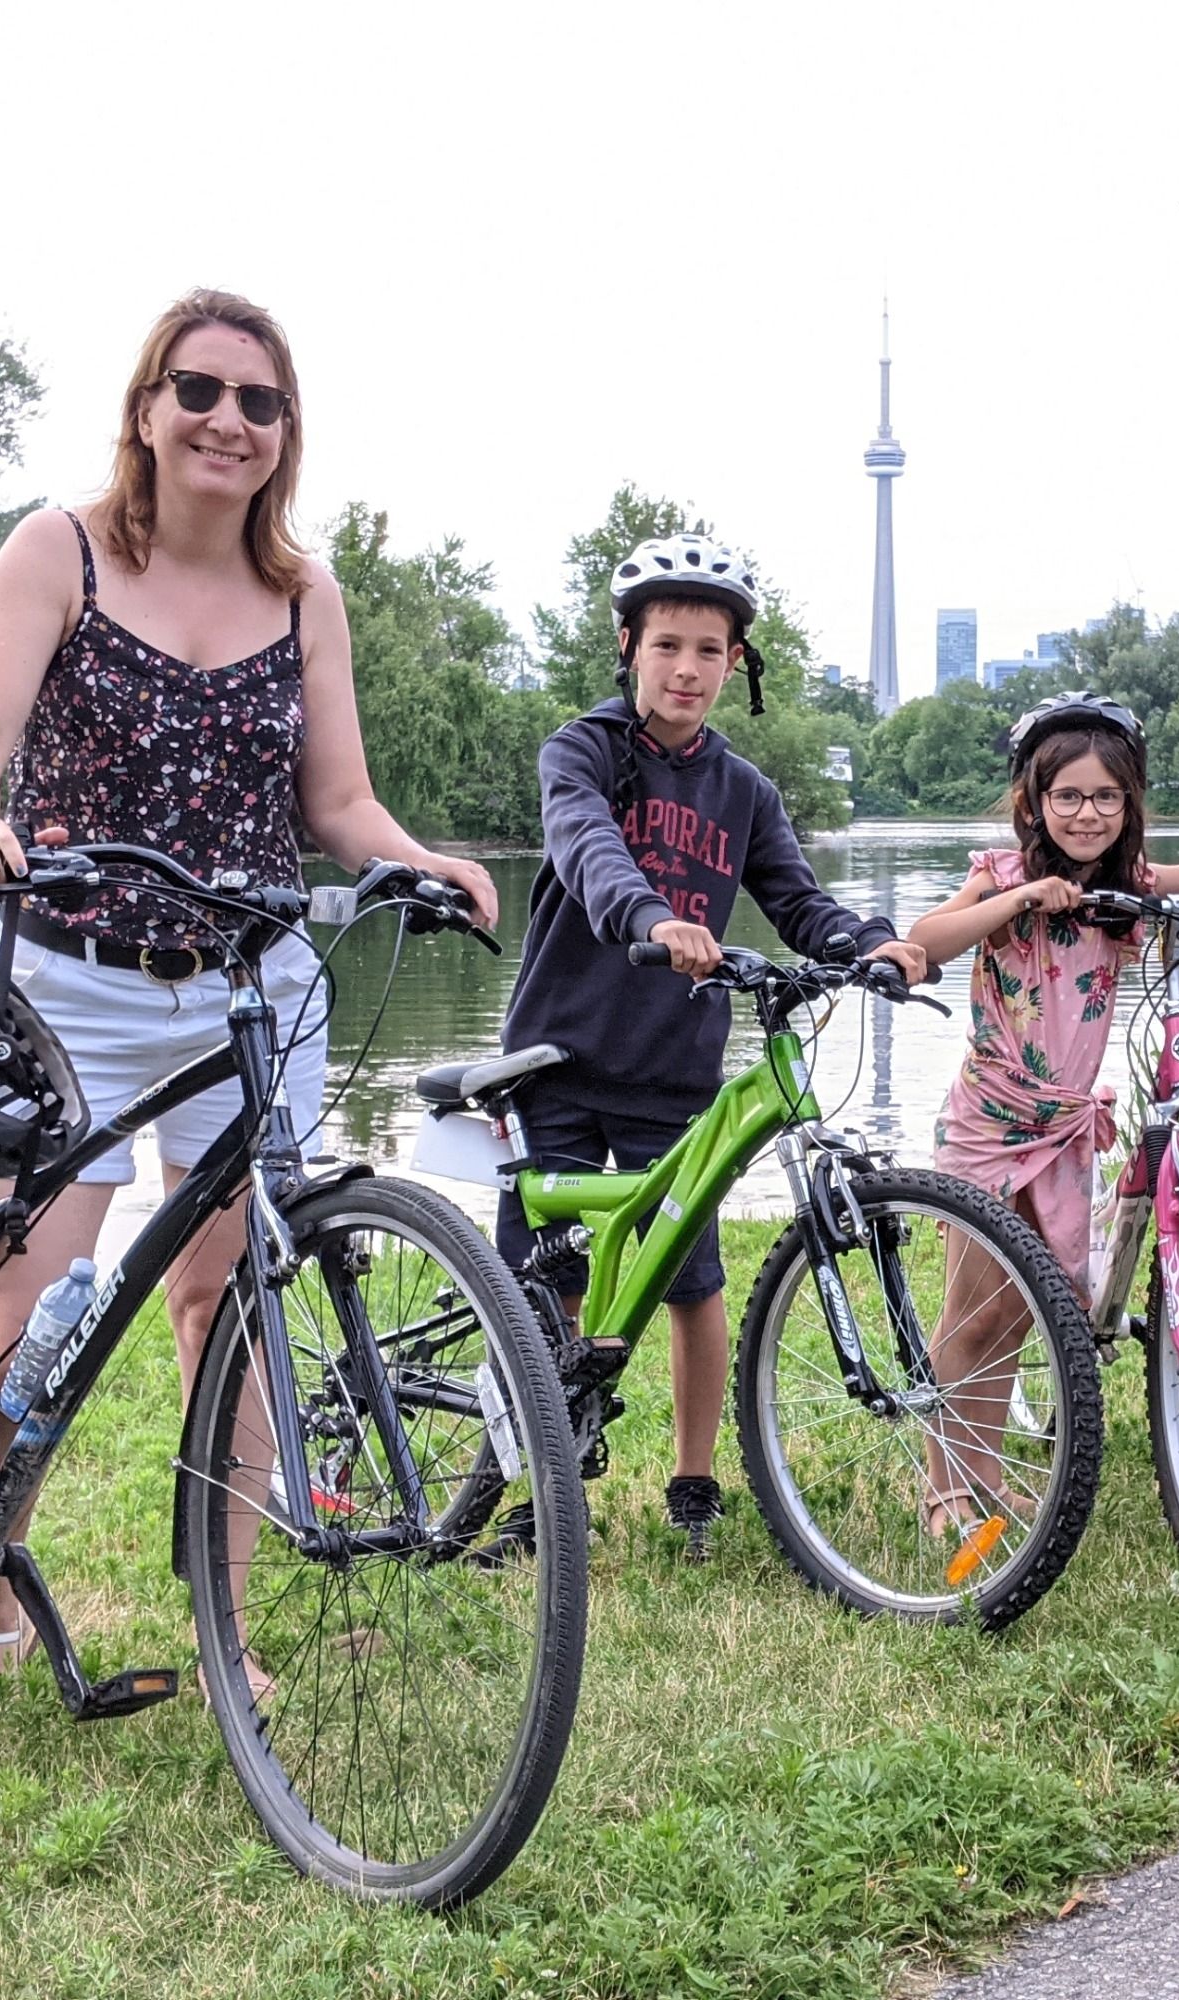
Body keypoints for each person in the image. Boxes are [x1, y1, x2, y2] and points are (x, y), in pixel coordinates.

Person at [0, 290, 496, 1722]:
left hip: (253, 985)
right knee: (18, 1311)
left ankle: (227, 1628)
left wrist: (419, 860)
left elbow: (338, 801)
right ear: (147, 407)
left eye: (260, 401)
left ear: (287, 432)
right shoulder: (58, 553)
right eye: (200, 390)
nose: (228, 420)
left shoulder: (304, 594)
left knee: (230, 1305)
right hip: (69, 980)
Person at [492, 532, 928, 1561]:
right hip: (555, 1058)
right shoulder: (582, 751)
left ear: (737, 663)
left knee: (691, 1278)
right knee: (546, 1279)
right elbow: (587, 846)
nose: (686, 669)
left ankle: (694, 1483)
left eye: (708, 651)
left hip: (673, 1069)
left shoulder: (744, 790)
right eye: (667, 645)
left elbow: (797, 900)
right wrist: (650, 916)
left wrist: (870, 942)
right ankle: (538, 1490)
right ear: (629, 648)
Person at [902, 693, 1179, 1547]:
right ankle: (943, 1489)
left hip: (1065, 1128)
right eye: (1067, 796)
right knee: (974, 1309)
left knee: (1024, 1310)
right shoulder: (1001, 873)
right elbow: (928, 938)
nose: (1087, 813)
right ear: (1034, 803)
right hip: (992, 1123)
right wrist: (1021, 898)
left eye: (1106, 797)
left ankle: (986, 1480)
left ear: (1130, 805)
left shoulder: (1127, 889)